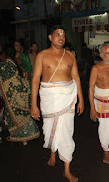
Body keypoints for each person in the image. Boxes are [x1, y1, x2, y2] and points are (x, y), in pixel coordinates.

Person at [31, 25, 84, 182]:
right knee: (50, 130)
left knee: (67, 131)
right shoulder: (42, 55)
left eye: (63, 35)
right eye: (57, 35)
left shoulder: (70, 56)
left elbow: (76, 78)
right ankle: (53, 152)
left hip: (68, 97)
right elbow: (35, 81)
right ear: (50, 37)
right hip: (50, 98)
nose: (61, 37)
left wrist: (81, 99)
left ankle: (67, 170)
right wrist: (33, 105)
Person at [0, 53, 40, 145]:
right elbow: (24, 75)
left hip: (12, 96)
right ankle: (28, 136)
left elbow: (2, 77)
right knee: (24, 114)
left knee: (14, 115)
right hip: (21, 95)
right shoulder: (15, 64)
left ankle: (21, 138)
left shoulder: (6, 65)